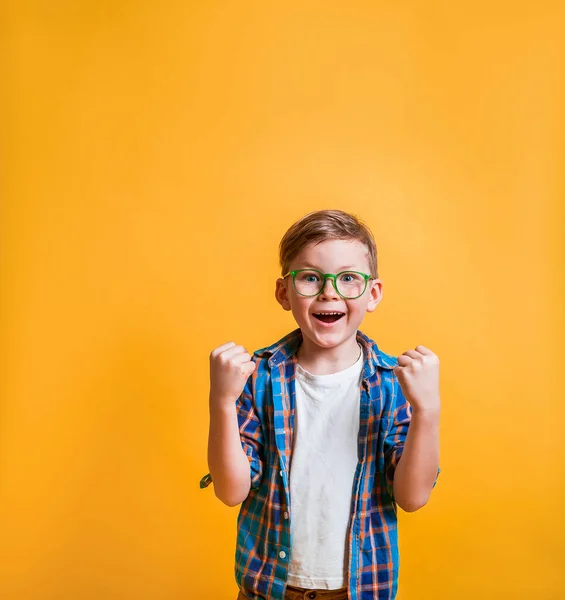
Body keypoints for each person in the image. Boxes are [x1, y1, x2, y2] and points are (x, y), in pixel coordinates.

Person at [201, 209, 440, 600]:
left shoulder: (394, 384)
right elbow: (231, 491)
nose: (330, 292)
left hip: (360, 589)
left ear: (373, 293)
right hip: (268, 588)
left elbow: (412, 498)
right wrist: (221, 400)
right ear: (284, 292)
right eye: (311, 277)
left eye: (348, 278)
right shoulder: (256, 378)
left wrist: (428, 410)